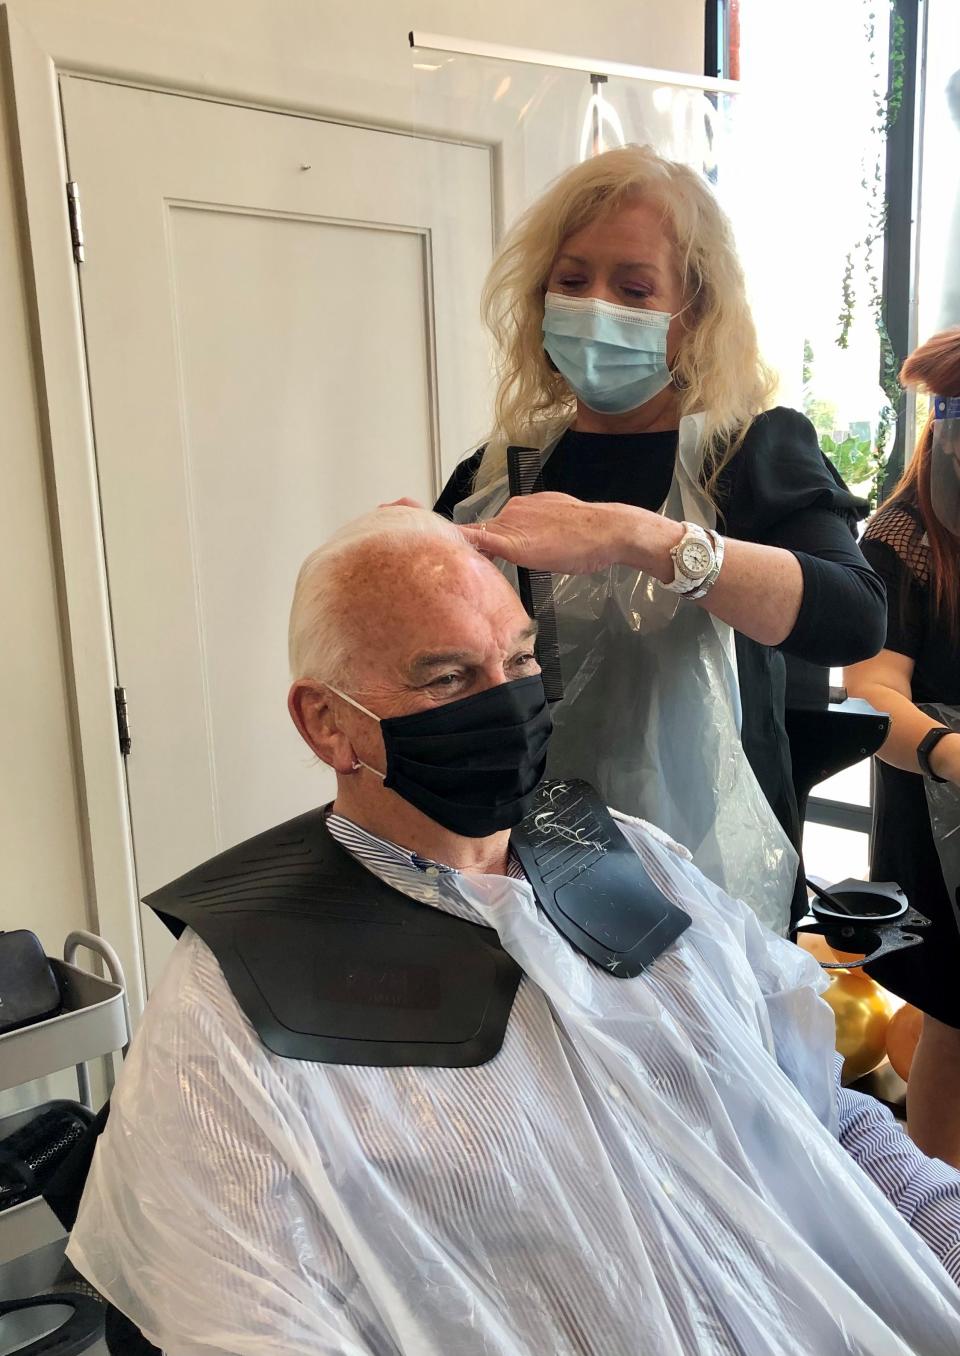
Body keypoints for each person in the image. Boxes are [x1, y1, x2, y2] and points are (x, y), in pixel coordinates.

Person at [69, 507, 960, 1356]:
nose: (506, 702)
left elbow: (819, 1120)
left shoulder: (631, 861)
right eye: (449, 677)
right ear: (328, 723)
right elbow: (250, 1321)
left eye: (523, 661)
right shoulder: (242, 999)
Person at [435, 145, 885, 933]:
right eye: (571, 281)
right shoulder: (500, 471)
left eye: (634, 288)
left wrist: (636, 536)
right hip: (525, 882)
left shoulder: (746, 454)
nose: (595, 306)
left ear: (693, 315)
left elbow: (854, 616)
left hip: (706, 886)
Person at [845, 329, 960, 1168]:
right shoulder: (904, 535)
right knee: (954, 1025)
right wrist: (950, 753)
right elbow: (873, 692)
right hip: (941, 820)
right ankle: (937, 1235)